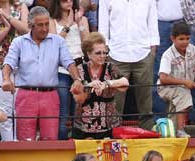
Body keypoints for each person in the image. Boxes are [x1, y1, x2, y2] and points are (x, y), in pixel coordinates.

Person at [2, 6, 84, 141]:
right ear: (30, 25)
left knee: (50, 139)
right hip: (26, 95)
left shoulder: (58, 41)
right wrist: (6, 78)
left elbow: (69, 63)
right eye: (40, 25)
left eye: (46, 24)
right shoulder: (19, 42)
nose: (45, 28)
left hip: (50, 95)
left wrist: (77, 79)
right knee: (25, 140)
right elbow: (8, 63)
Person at [98, 0, 159, 131]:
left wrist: (152, 51)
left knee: (146, 103)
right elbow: (103, 25)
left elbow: (153, 23)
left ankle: (148, 137)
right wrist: (106, 50)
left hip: (143, 52)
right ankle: (112, 135)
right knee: (115, 103)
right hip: (116, 53)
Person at [0, 0, 29, 141]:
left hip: (22, 64)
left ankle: (21, 141)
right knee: (6, 107)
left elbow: (26, 30)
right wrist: (6, 29)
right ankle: (8, 143)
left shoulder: (21, 6)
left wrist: (9, 18)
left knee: (21, 106)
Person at [158, 22, 195, 136]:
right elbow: (163, 78)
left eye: (187, 38)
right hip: (166, 87)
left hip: (183, 87)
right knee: (183, 94)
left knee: (175, 111)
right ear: (173, 39)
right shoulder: (168, 55)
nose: (185, 42)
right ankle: (180, 130)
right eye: (181, 39)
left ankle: (170, 133)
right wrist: (185, 82)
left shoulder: (192, 49)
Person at [71, 32, 129, 139]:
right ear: (88, 54)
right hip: (83, 127)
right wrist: (89, 85)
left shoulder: (110, 67)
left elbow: (125, 82)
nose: (102, 56)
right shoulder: (80, 69)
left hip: (109, 125)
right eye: (98, 53)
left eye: (104, 53)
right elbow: (77, 97)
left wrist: (107, 84)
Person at [49, 0, 90, 140]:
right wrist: (67, 25)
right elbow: (54, 44)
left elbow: (88, 46)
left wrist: (79, 24)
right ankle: (61, 146)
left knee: (78, 111)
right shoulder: (52, 21)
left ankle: (77, 142)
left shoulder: (82, 19)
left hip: (80, 69)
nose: (69, 1)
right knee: (64, 112)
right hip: (61, 70)